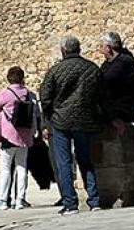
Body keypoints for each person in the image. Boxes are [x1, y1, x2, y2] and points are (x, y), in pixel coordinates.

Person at [39, 35, 103, 214]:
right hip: (85, 120)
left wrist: (48, 117)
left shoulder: (55, 71)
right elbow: (100, 94)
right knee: (86, 160)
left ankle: (70, 203)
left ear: (63, 50)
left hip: (61, 121)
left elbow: (45, 97)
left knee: (64, 163)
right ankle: (94, 200)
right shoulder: (92, 69)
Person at [0, 66, 40, 210]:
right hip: (25, 137)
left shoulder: (5, 94)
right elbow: (36, 114)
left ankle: (3, 200)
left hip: (8, 136)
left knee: (5, 168)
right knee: (22, 167)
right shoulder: (30, 95)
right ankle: (20, 200)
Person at [98, 31, 134, 135]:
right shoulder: (109, 63)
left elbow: (106, 80)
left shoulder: (124, 62)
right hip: (111, 109)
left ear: (108, 48)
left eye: (101, 46)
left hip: (121, 110)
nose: (100, 50)